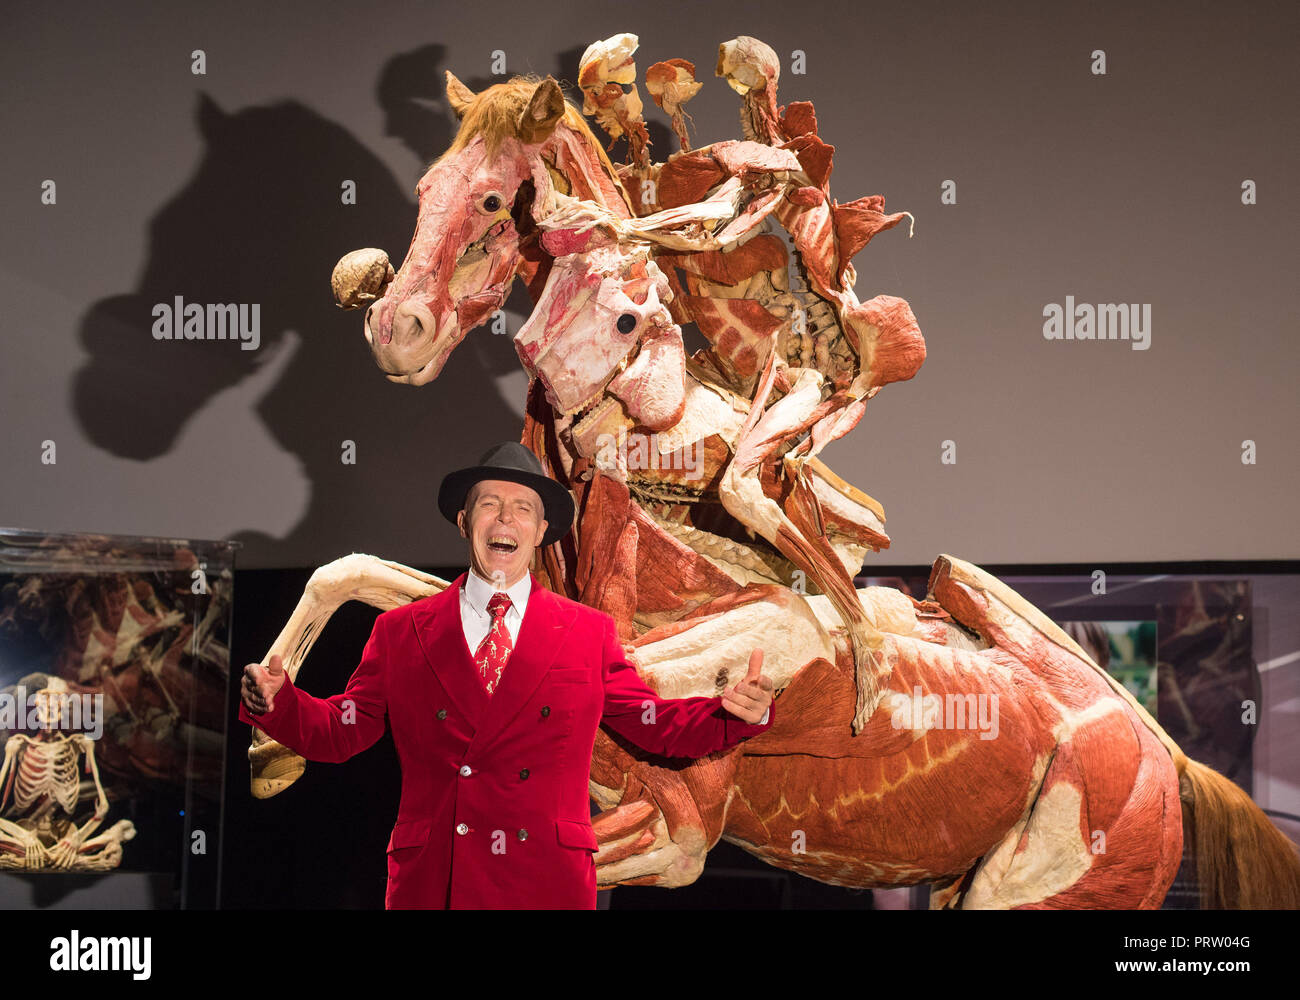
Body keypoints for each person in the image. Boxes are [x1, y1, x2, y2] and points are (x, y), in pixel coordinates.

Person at [239, 441, 775, 909]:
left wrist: (730, 714)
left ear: (541, 531)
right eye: (489, 506)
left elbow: (653, 723)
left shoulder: (586, 633)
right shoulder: (402, 632)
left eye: (522, 508)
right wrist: (278, 703)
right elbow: (344, 730)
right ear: (464, 521)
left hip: (545, 879)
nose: (504, 520)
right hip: (437, 879)